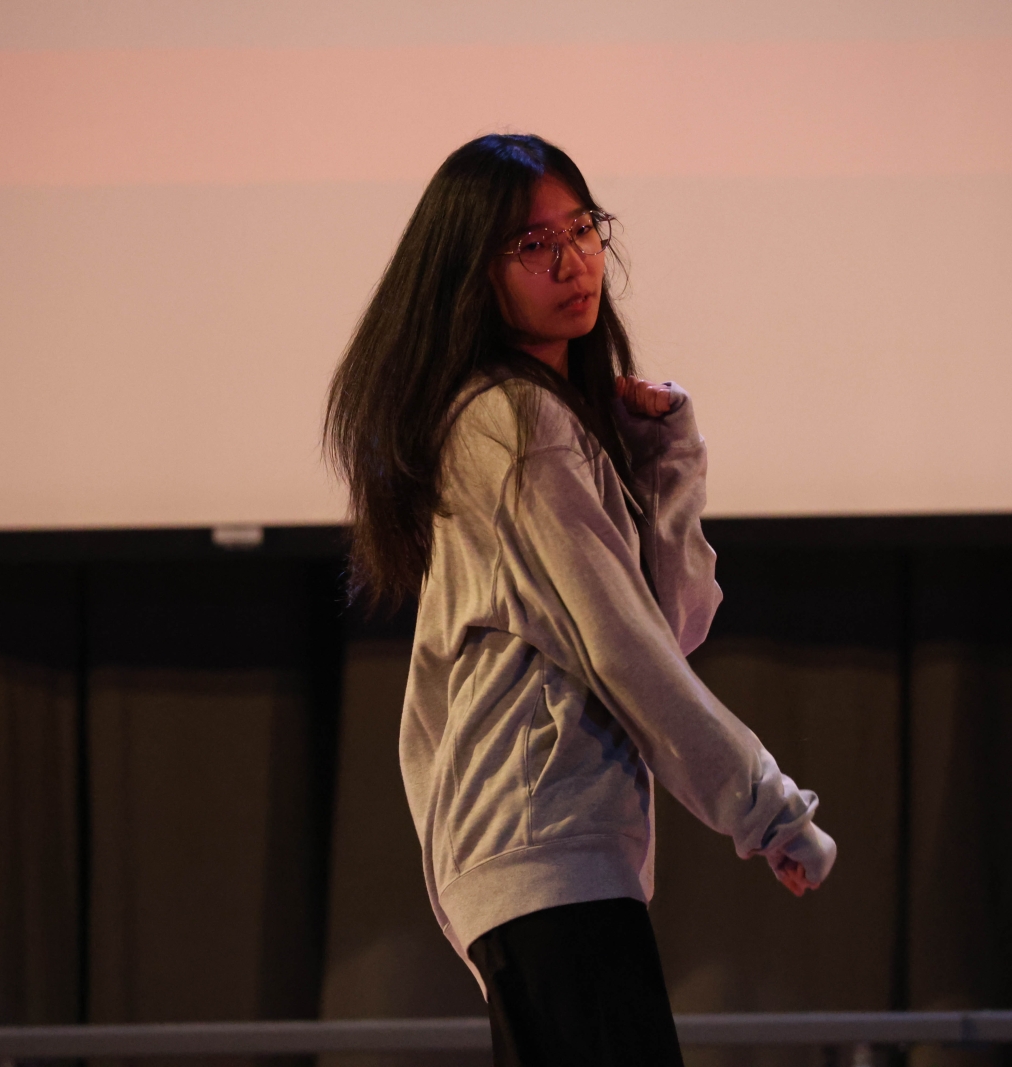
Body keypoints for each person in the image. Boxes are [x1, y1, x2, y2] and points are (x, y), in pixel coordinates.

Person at [323, 133, 836, 1067]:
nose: (573, 261)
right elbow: (624, 648)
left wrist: (667, 457)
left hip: (552, 855)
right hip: (541, 850)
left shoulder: (551, 418)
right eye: (534, 244)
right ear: (473, 275)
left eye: (583, 228)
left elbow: (665, 628)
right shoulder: (508, 421)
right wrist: (766, 807)